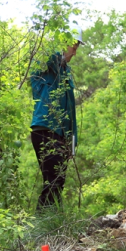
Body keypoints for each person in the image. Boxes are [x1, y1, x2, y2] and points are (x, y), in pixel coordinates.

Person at [30, 24, 83, 209]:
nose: (74, 53)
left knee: (57, 182)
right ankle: (43, 223)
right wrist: (59, 38)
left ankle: (51, 222)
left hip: (60, 134)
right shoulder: (45, 64)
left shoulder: (66, 72)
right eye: (73, 47)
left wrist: (71, 144)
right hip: (45, 128)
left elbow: (71, 113)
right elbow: (48, 54)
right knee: (53, 181)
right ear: (64, 43)